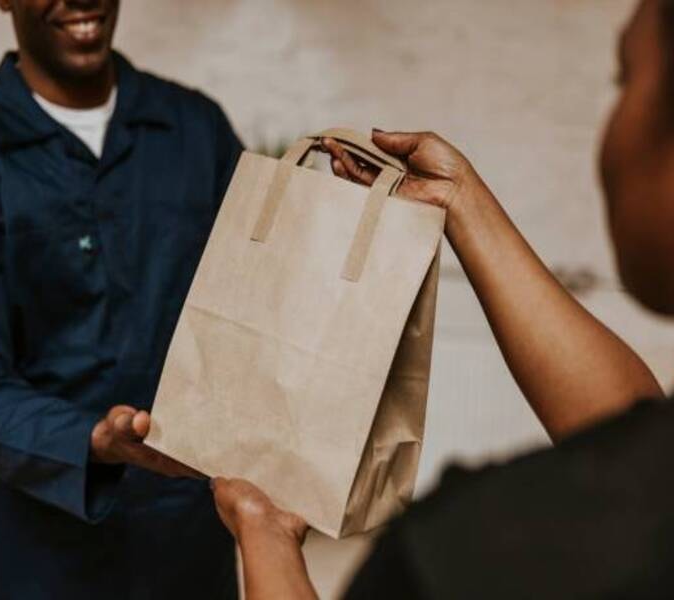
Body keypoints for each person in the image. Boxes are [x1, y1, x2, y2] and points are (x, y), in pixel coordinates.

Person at [211, 0, 674, 597]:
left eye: (626, 79)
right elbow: (625, 432)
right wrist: (458, 199)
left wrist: (264, 529)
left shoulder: (465, 551)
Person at [0, 1, 242, 598]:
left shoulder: (197, 130)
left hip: (189, 546)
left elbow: (257, 305)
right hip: (44, 560)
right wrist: (89, 439)